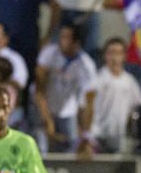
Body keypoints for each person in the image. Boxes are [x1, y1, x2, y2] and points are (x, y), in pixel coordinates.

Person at [34, 24, 98, 155]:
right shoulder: (48, 54)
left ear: (76, 42)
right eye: (61, 36)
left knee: (69, 149)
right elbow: (39, 90)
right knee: (41, 146)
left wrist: (86, 134)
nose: (61, 40)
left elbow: (90, 103)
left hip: (68, 111)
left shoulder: (87, 66)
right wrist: (47, 119)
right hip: (42, 105)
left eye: (66, 37)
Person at [92, 38, 141, 153]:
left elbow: (138, 106)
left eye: (118, 53)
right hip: (97, 136)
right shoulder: (97, 80)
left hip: (118, 137)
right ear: (105, 56)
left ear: (124, 56)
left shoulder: (129, 81)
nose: (115, 58)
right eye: (111, 53)